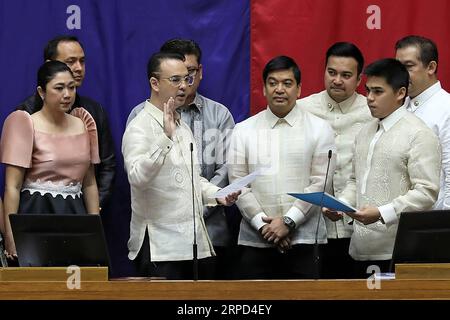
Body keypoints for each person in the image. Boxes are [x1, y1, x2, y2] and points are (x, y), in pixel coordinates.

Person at [122, 52, 239, 280]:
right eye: (175, 80)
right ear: (154, 83)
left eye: (187, 79)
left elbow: (191, 178)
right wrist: (165, 139)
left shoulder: (181, 125)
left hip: (195, 244)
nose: (184, 86)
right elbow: (137, 177)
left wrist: (218, 195)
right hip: (161, 249)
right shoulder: (139, 126)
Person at [325, 58, 441, 278]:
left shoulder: (419, 134)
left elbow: (426, 192)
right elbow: (354, 181)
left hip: (398, 250)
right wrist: (340, 205)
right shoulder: (365, 132)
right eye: (368, 90)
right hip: (358, 247)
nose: (369, 98)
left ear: (400, 93)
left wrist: (381, 213)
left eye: (378, 92)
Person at [227, 55, 336, 279]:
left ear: (299, 90)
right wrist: (263, 226)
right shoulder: (243, 130)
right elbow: (238, 184)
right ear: (264, 89)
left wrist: (289, 222)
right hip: (255, 240)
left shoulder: (320, 129)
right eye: (273, 83)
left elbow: (320, 183)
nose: (279, 89)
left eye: (287, 83)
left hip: (305, 240)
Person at [0, 61, 100, 258]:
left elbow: (89, 183)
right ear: (41, 91)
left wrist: (95, 230)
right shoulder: (25, 123)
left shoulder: (84, 123)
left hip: (74, 214)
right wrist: (11, 237)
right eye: (59, 88)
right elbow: (12, 187)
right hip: (35, 212)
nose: (67, 94)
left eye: (71, 87)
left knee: (75, 279)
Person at [297, 42, 372, 279]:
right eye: (332, 72)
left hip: (360, 227)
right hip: (312, 228)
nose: (337, 80)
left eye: (346, 75)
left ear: (359, 79)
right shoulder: (302, 109)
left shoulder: (372, 111)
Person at [18, 35, 115, 209]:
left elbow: (107, 164)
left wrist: (93, 207)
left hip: (80, 211)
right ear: (50, 65)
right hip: (37, 211)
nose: (78, 68)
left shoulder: (94, 111)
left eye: (82, 61)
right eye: (71, 61)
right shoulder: (25, 114)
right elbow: (14, 181)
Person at [395, 35, 450, 209]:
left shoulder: (446, 108)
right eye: (398, 67)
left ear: (431, 67)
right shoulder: (398, 104)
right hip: (396, 217)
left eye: (408, 66)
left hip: (433, 222)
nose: (400, 75)